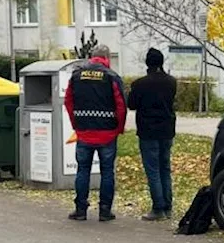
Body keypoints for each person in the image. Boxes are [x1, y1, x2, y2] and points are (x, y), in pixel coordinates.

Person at [64, 45, 126, 222]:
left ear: (92, 57)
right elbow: (120, 105)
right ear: (107, 58)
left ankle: (80, 210)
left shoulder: (76, 76)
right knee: (107, 172)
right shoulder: (112, 77)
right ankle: (105, 211)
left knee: (82, 170)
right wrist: (118, 128)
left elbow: (68, 101)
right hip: (107, 133)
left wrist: (76, 123)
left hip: (84, 132)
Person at [127, 47, 178, 221]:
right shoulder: (171, 82)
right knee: (165, 168)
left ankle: (158, 208)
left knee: (153, 170)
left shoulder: (140, 84)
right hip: (167, 129)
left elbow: (132, 104)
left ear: (147, 63)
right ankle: (168, 205)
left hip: (148, 131)